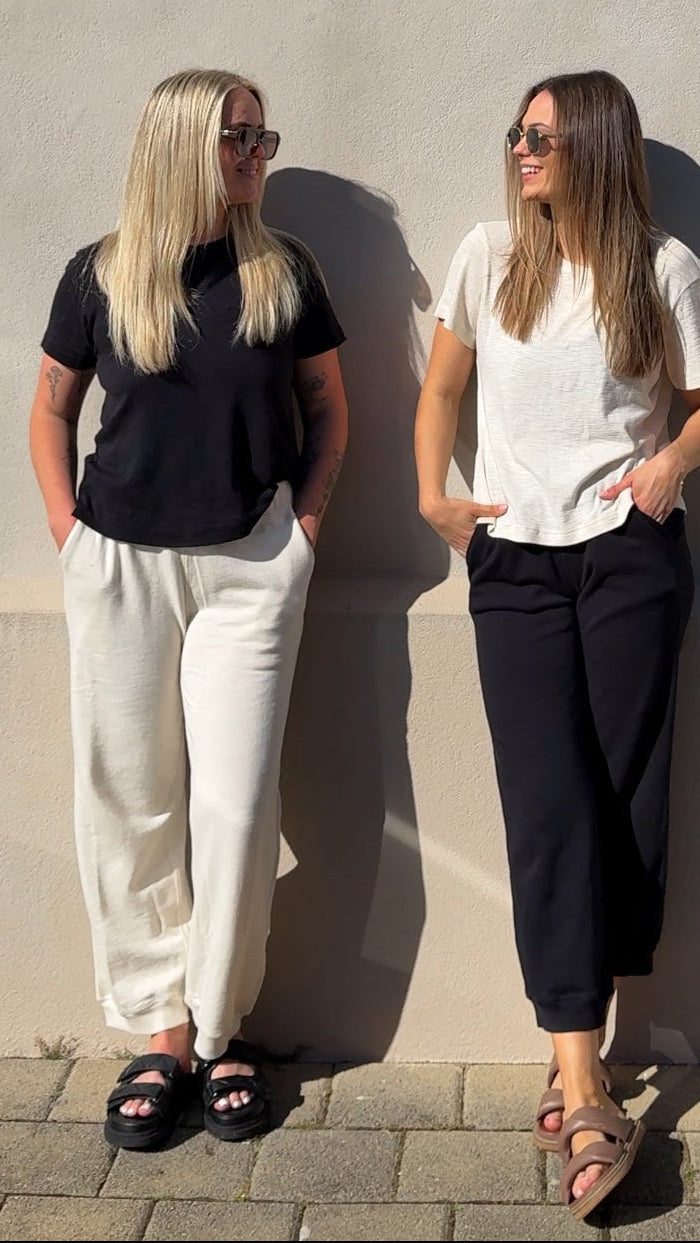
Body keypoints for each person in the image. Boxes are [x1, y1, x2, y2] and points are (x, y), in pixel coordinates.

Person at [414, 70, 700, 1219]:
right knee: (547, 805)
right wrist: (433, 502)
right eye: (517, 132)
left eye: (542, 135)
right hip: (516, 566)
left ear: (594, 143)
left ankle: (574, 1048)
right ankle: (587, 1079)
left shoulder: (666, 269)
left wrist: (669, 466)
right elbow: (440, 389)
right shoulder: (490, 254)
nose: (522, 149)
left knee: (622, 800)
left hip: (632, 556)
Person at [29, 68, 348, 1148]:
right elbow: (49, 408)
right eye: (239, 138)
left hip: (249, 567)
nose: (259, 154)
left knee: (236, 808)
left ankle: (221, 1027)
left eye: (263, 135)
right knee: (127, 798)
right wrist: (71, 535)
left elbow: (329, 410)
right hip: (120, 563)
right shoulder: (102, 272)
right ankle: (161, 1030)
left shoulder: (283, 271)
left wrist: (301, 535)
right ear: (181, 145)